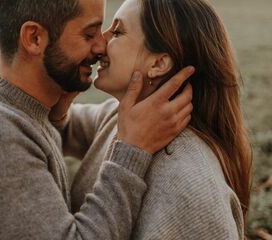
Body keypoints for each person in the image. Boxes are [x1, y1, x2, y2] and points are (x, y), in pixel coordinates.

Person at [0, 0, 194, 239]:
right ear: (34, 38)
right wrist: (133, 151)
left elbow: (87, 123)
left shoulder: (18, 108)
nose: (101, 46)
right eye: (89, 34)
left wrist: (58, 114)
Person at [51, 0, 252, 239]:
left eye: (117, 32)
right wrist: (58, 98)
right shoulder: (120, 117)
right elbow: (62, 126)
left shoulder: (188, 185)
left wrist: (131, 151)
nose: (101, 43)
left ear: (158, 63)